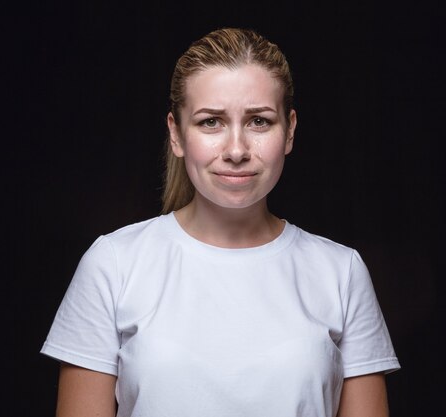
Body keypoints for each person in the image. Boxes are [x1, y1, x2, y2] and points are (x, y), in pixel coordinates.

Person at [41, 27, 400, 417]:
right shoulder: (113, 264)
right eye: (210, 122)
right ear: (176, 135)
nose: (236, 150)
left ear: (290, 131)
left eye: (259, 121)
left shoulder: (341, 272)